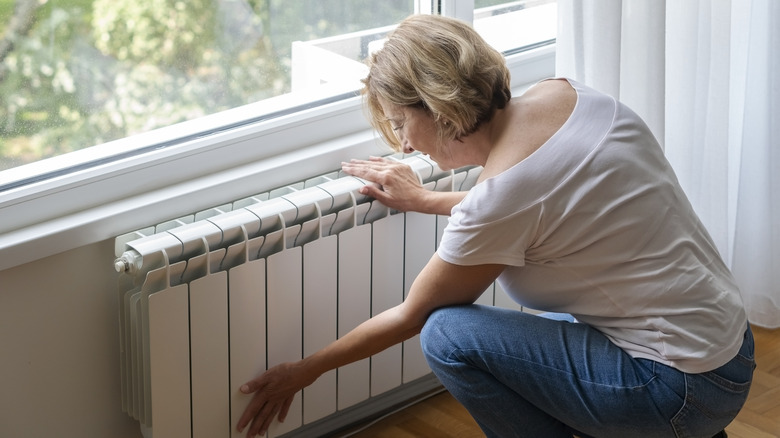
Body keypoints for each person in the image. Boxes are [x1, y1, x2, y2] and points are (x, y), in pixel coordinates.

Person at [237, 14, 754, 438]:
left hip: (677, 389)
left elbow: (413, 316)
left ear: (437, 104)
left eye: (399, 123)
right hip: (727, 346)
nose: (404, 146)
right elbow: (546, 202)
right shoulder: (571, 95)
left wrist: (303, 372)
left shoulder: (499, 200)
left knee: (447, 334)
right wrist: (425, 200)